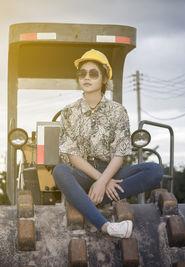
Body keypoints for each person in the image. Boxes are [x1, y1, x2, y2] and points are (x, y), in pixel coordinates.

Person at [52, 49, 163, 238]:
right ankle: (106, 226)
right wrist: (100, 180)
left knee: (155, 170)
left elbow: (119, 153)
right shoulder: (69, 112)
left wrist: (104, 181)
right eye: (82, 73)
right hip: (83, 173)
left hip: (111, 171)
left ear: (104, 79)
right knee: (60, 170)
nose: (86, 77)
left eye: (93, 73)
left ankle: (86, 200)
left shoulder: (118, 111)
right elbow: (73, 155)